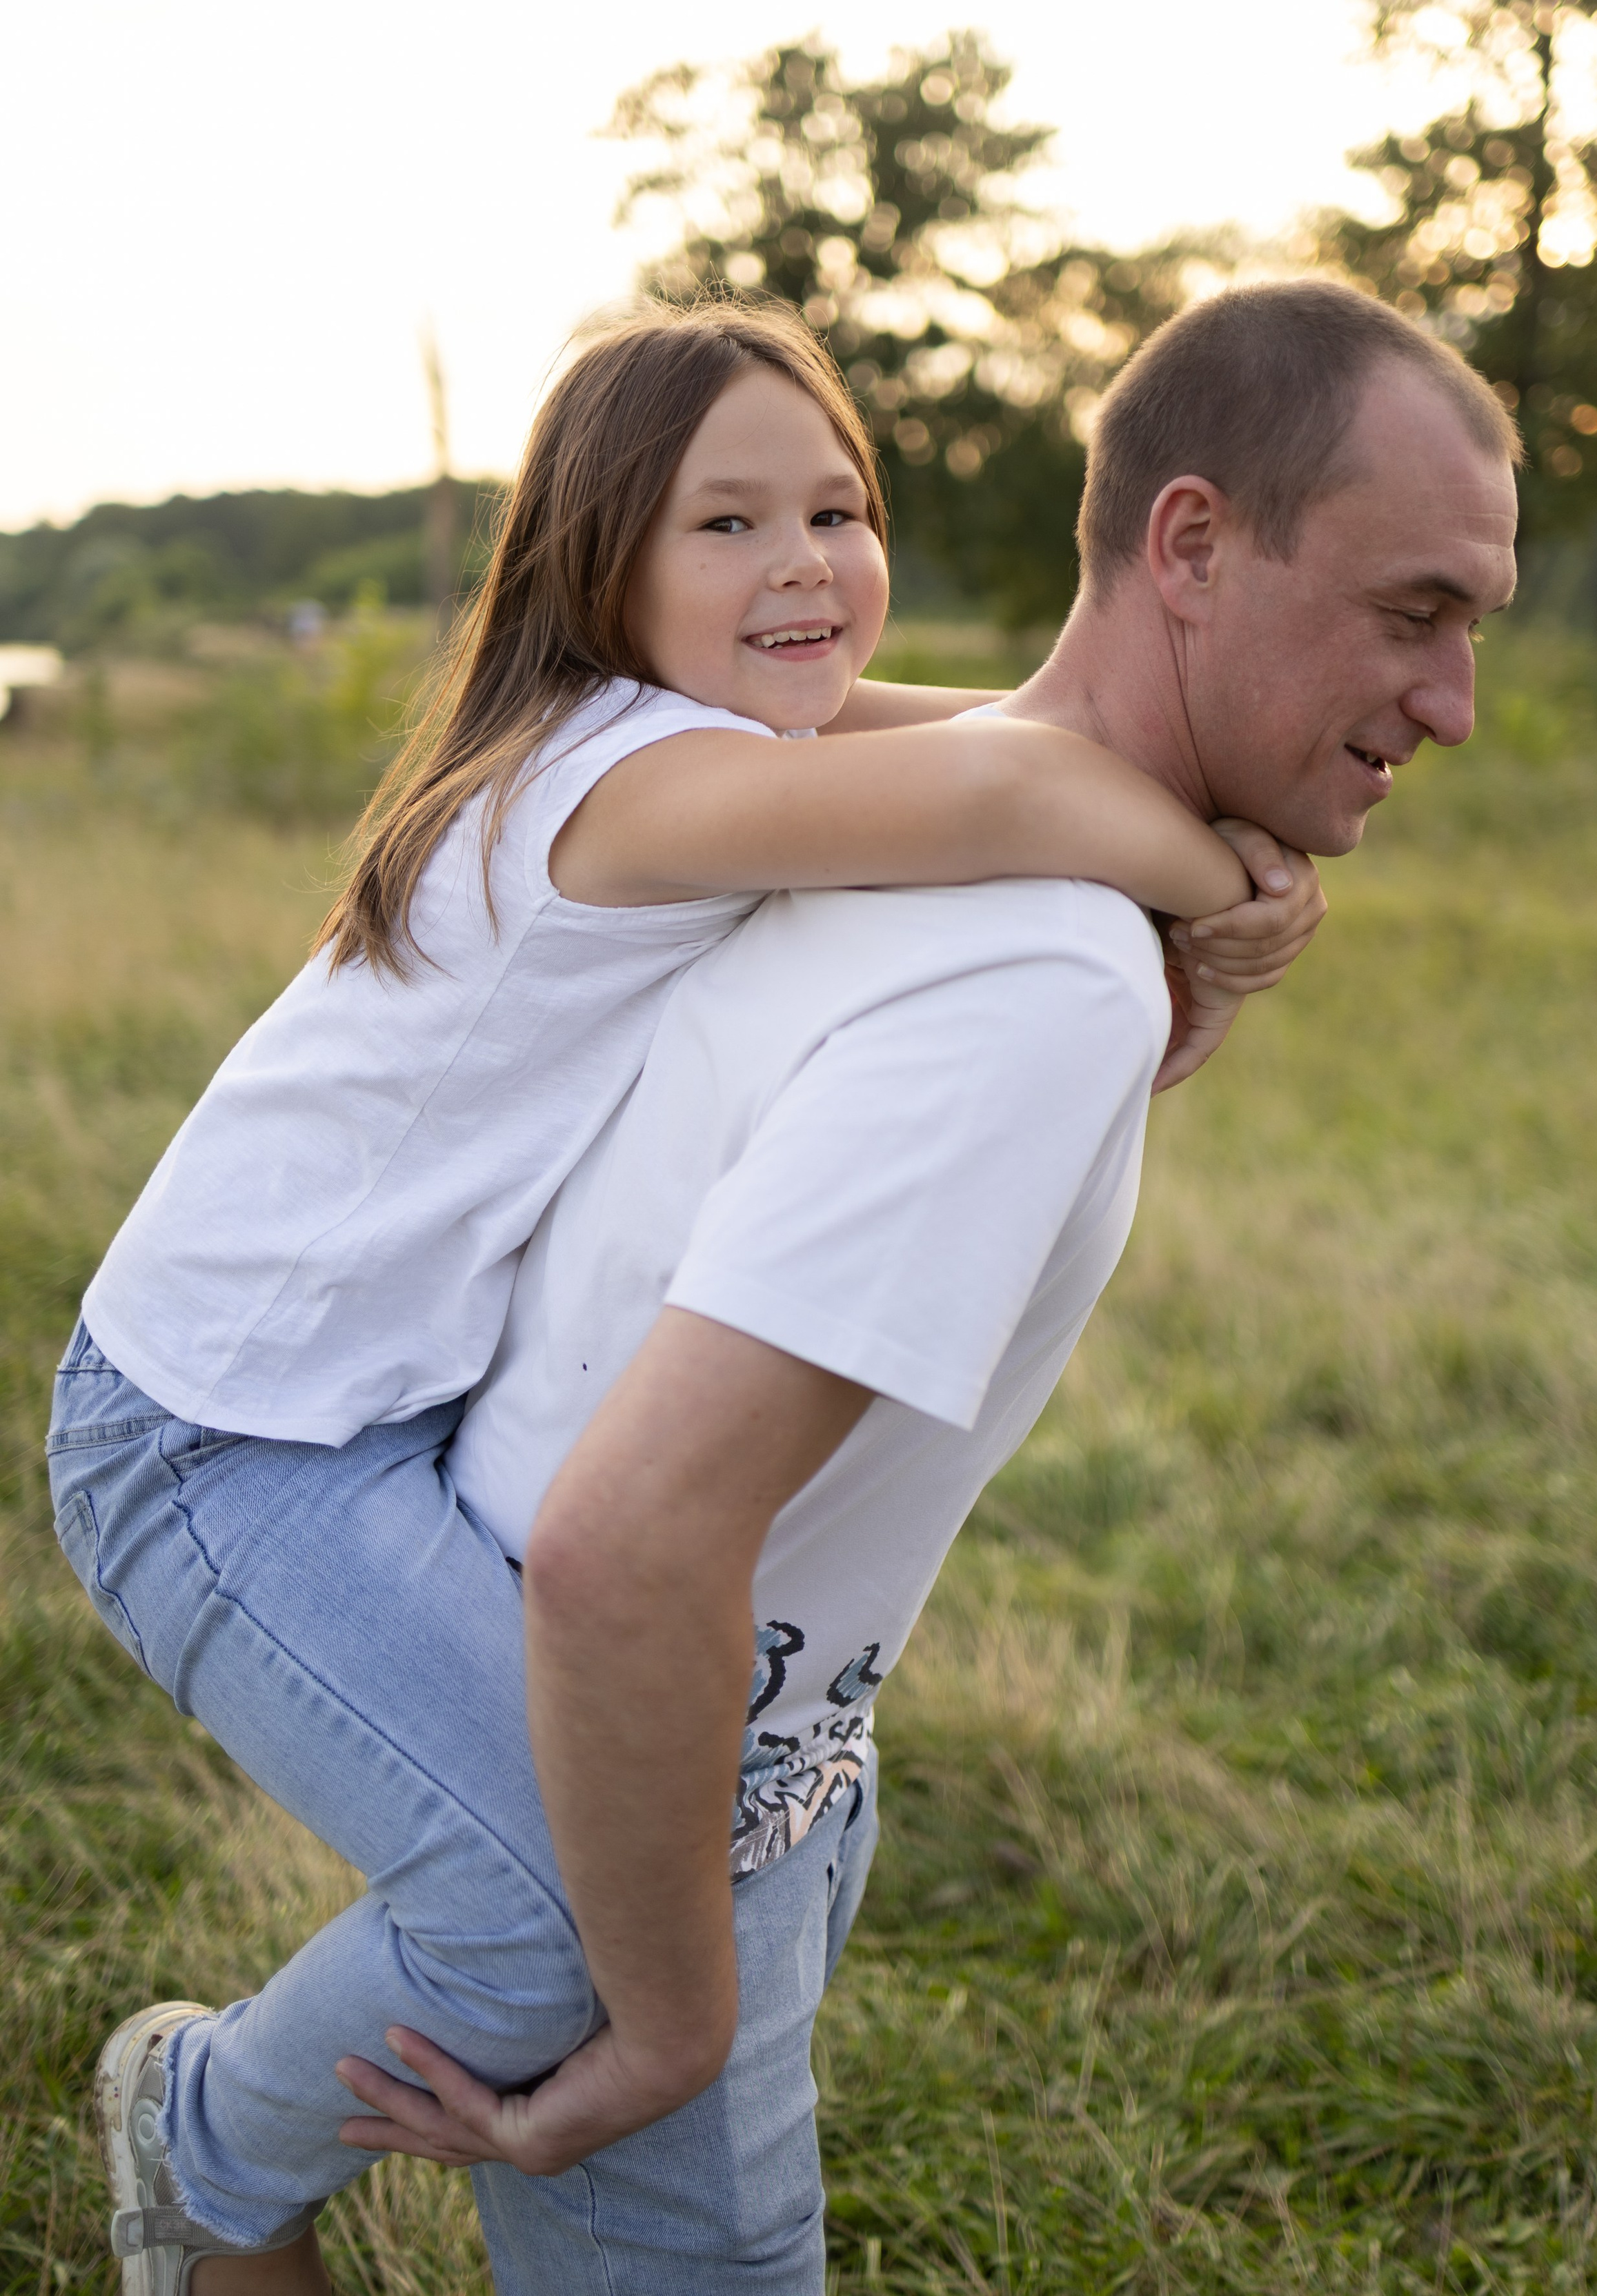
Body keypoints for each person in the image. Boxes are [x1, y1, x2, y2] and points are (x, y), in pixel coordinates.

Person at [48, 299, 1319, 2294]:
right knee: (556, 1911)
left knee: (599, 1877)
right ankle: (206, 2137)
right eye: (726, 526)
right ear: (600, 566)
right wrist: (1222, 889)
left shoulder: (691, 728)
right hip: (218, 1432)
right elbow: (1008, 801)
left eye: (837, 506)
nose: (805, 563)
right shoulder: (619, 788)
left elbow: (1001, 734)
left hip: (358, 1402)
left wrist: (1188, 844)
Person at [326, 279, 1522, 2289]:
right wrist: (678, 2005)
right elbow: (633, 1549)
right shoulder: (1034, 960)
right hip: (646, 1767)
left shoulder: (868, 808)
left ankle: (197, 2139)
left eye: (1472, 625)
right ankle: (200, 2158)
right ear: (1194, 545)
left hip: (722, 1734)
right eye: (1416, 613)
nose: (1457, 700)